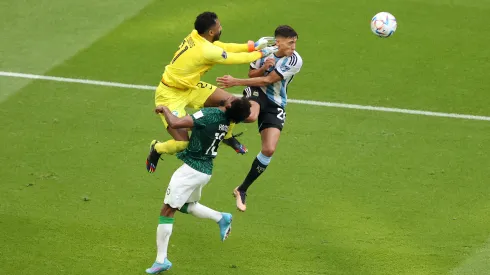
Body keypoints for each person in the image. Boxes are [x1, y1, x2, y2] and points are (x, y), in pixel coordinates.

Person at [146, 11, 277, 174]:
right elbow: (232, 58)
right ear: (211, 32)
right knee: (182, 144)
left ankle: (227, 136)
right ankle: (157, 148)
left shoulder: (196, 35)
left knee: (233, 103)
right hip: (170, 95)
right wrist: (262, 53)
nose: (221, 28)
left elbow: (223, 47)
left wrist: (253, 46)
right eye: (219, 26)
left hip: (191, 87)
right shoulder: (206, 51)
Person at [145, 97, 252, 274]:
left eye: (233, 98)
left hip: (191, 171)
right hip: (205, 171)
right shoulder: (226, 122)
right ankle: (221, 218)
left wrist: (164, 109)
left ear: (229, 105)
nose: (231, 96)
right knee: (187, 205)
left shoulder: (211, 114)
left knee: (167, 210)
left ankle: (161, 260)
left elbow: (177, 123)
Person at [216, 25, 303, 212]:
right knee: (251, 116)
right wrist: (263, 66)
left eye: (295, 42)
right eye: (290, 43)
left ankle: (241, 189)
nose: (293, 47)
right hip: (256, 92)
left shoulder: (295, 60)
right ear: (278, 42)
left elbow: (268, 80)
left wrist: (235, 81)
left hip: (276, 103)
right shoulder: (263, 52)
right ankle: (218, 119)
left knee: (269, 149)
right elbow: (253, 75)